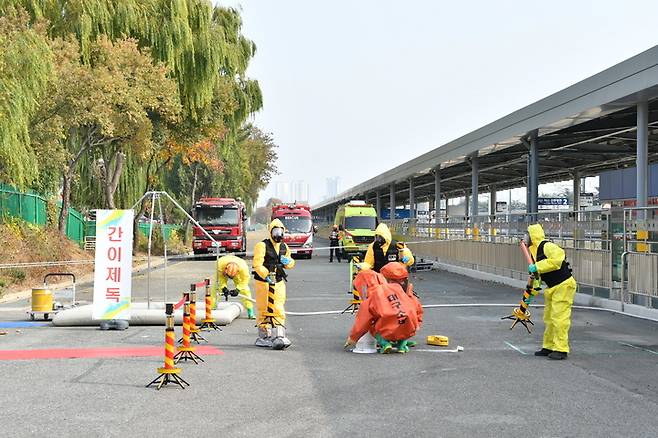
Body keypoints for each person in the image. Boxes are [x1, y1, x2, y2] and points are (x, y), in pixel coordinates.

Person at [344, 262, 423, 354]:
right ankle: (401, 344)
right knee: (405, 321)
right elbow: (417, 311)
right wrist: (414, 327)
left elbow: (364, 320)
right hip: (408, 327)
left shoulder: (376, 293)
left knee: (372, 325)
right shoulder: (407, 291)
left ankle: (385, 344)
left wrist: (353, 338)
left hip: (388, 327)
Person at [525, 223, 577, 360]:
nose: (525, 238)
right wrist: (531, 293)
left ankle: (561, 349)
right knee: (549, 318)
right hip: (553, 287)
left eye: (527, 234)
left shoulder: (547, 246)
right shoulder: (533, 253)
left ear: (533, 236)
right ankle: (548, 346)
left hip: (564, 285)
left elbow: (558, 259)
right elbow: (538, 277)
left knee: (560, 318)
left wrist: (537, 266)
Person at [252, 218, 296, 350]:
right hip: (263, 283)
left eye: (280, 231)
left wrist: (288, 262)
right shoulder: (262, 245)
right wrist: (266, 275)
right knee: (263, 308)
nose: (278, 235)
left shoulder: (284, 246)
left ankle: (279, 335)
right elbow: (257, 264)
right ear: (270, 232)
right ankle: (264, 336)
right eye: (275, 231)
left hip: (278, 282)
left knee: (278, 307)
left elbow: (291, 263)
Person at [212, 255, 255, 319]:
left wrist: (238, 289)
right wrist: (223, 287)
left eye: (231, 277)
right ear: (225, 268)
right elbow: (220, 279)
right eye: (229, 276)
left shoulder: (243, 268)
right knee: (215, 289)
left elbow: (245, 280)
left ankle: (250, 311)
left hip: (238, 273)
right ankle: (212, 308)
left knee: (245, 290)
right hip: (222, 272)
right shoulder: (219, 264)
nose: (230, 278)